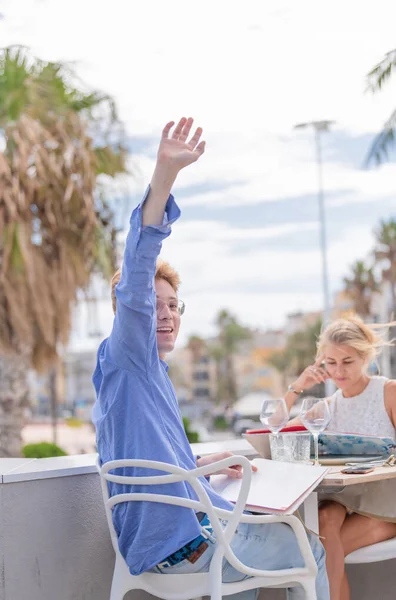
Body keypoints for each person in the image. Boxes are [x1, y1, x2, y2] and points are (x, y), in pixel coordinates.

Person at [92, 117, 329, 600]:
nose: (165, 315)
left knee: (236, 542)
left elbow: (157, 460)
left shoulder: (142, 373)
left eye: (172, 306)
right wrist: (164, 176)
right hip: (183, 545)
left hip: (161, 540)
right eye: (151, 306)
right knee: (309, 545)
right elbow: (137, 268)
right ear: (127, 313)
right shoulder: (127, 354)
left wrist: (209, 461)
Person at [285, 315, 396, 600]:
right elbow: (276, 432)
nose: (338, 371)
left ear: (365, 357)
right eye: (330, 363)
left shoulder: (388, 392)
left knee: (318, 555)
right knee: (324, 517)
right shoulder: (327, 407)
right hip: (345, 500)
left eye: (347, 362)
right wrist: (298, 386)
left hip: (387, 501)